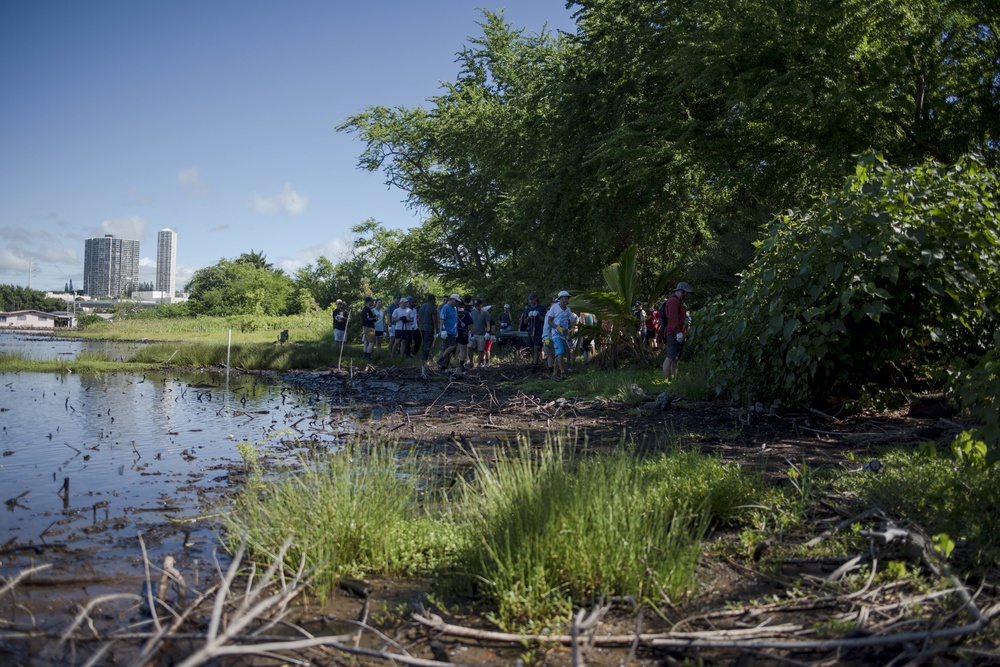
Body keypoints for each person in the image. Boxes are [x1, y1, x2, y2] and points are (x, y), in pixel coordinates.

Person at [661, 282, 693, 378]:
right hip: (673, 332)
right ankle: (665, 379)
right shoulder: (673, 301)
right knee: (670, 357)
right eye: (685, 292)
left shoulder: (678, 302)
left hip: (678, 332)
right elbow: (673, 318)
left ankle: (674, 378)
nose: (686, 295)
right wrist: (677, 332)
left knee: (675, 358)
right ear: (681, 291)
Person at [547, 291, 574, 381]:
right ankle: (562, 372)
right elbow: (549, 321)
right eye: (564, 298)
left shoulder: (568, 310)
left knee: (561, 353)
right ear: (560, 299)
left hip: (564, 334)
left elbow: (569, 321)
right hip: (556, 334)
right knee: (560, 351)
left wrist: (571, 329)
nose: (565, 300)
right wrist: (557, 327)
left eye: (567, 298)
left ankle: (555, 373)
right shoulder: (554, 308)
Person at [520, 293, 546, 369]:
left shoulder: (541, 308)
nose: (531, 301)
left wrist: (538, 316)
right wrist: (529, 316)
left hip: (539, 330)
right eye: (529, 300)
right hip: (530, 331)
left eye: (532, 299)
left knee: (536, 348)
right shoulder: (528, 309)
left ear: (535, 299)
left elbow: (545, 320)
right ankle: (536, 361)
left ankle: (535, 365)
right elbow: (524, 322)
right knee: (531, 348)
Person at [437, 294, 461, 370]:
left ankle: (444, 366)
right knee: (453, 346)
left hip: (453, 332)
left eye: (457, 301)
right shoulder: (446, 307)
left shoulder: (454, 308)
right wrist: (443, 330)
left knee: (448, 350)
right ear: (452, 300)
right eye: (456, 301)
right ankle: (441, 359)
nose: (457, 303)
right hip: (447, 332)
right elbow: (442, 319)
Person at [469, 299, 494, 368]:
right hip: (473, 334)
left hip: (482, 334)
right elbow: (470, 324)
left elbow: (488, 323)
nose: (477, 307)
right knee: (470, 348)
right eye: (475, 305)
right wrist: (470, 332)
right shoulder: (472, 313)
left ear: (481, 305)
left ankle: (479, 364)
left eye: (478, 305)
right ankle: (471, 361)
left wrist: (487, 332)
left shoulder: (485, 313)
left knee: (481, 350)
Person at [417, 294, 439, 362]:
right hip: (429, 327)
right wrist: (437, 329)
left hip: (422, 327)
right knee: (428, 343)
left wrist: (419, 325)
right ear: (433, 300)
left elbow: (419, 317)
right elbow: (434, 320)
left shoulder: (423, 306)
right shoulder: (432, 308)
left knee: (424, 342)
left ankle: (424, 356)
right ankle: (425, 359)